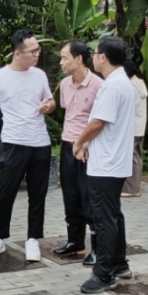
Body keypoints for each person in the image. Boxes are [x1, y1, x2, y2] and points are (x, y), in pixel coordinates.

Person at [0, 29, 55, 262]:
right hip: (12, 142)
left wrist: (48, 106)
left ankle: (33, 239)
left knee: (38, 194)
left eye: (38, 50)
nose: (37, 54)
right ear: (17, 53)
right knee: (6, 192)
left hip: (40, 142)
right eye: (33, 51)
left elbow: (50, 101)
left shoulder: (39, 75)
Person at [72, 37, 136, 294]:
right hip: (114, 161)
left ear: (103, 57)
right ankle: (119, 263)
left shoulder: (112, 86)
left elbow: (99, 122)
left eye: (95, 53)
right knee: (113, 214)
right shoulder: (122, 82)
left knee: (104, 218)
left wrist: (79, 141)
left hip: (106, 164)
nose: (93, 57)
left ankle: (104, 273)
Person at [53, 41, 101, 263]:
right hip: (67, 144)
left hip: (87, 148)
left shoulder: (98, 85)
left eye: (64, 58)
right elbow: (68, 112)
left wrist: (86, 143)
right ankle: (75, 242)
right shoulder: (64, 84)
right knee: (70, 195)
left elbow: (100, 121)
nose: (61, 62)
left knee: (88, 197)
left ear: (79, 59)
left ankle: (97, 248)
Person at [121, 59, 148, 198]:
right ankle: (135, 186)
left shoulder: (131, 87)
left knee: (131, 158)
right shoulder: (140, 84)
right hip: (139, 127)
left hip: (131, 127)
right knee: (137, 156)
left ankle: (132, 189)